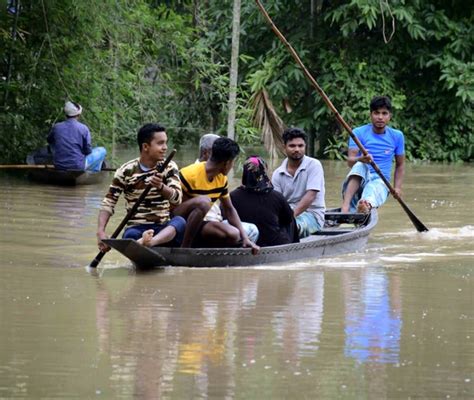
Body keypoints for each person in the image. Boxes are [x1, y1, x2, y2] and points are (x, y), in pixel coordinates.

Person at [97, 123, 185, 251]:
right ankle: (141, 242)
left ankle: (150, 242)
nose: (165, 148)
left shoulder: (170, 167)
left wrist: (161, 186)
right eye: (160, 143)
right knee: (129, 235)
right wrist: (100, 231)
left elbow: (177, 199)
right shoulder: (126, 171)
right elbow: (109, 203)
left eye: (166, 143)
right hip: (137, 228)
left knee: (180, 222)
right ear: (145, 146)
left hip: (163, 229)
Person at [173, 137, 259, 253]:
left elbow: (229, 210)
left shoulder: (222, 179)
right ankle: (185, 249)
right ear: (227, 163)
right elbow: (173, 206)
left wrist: (245, 238)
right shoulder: (189, 174)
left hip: (200, 224)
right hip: (178, 220)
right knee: (203, 202)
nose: (232, 166)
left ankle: (203, 247)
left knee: (233, 234)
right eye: (233, 162)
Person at [341, 96, 405, 214]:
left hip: (381, 182)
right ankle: (345, 207)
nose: (380, 117)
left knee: (372, 188)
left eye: (384, 113)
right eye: (376, 113)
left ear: (390, 116)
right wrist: (361, 159)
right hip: (359, 180)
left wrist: (397, 188)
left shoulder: (397, 136)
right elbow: (350, 162)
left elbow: (400, 165)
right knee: (360, 165)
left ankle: (365, 204)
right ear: (371, 115)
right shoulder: (358, 132)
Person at [196, 133, 259, 243]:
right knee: (245, 231)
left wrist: (244, 237)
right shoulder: (192, 173)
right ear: (206, 153)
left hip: (216, 221)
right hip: (202, 224)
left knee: (249, 229)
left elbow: (229, 208)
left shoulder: (219, 175)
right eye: (215, 151)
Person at [230, 156, 298, 247]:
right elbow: (288, 219)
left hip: (247, 241)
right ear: (264, 172)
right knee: (291, 217)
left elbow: (225, 217)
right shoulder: (276, 196)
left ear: (245, 173)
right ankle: (293, 246)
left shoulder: (233, 196)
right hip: (276, 243)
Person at [272, 127, 326, 238]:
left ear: (305, 146)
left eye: (300, 146)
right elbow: (276, 202)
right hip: (288, 214)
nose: (297, 149)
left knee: (291, 228)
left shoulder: (314, 165)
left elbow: (310, 196)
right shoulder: (278, 173)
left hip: (312, 215)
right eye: (292, 146)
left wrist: (290, 217)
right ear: (284, 148)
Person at [47, 101, 106, 172]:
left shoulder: (56, 127)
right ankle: (92, 172)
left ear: (65, 114)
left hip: (59, 165)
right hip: (77, 166)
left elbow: (49, 140)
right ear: (78, 114)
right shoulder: (83, 128)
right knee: (102, 150)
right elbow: (88, 151)